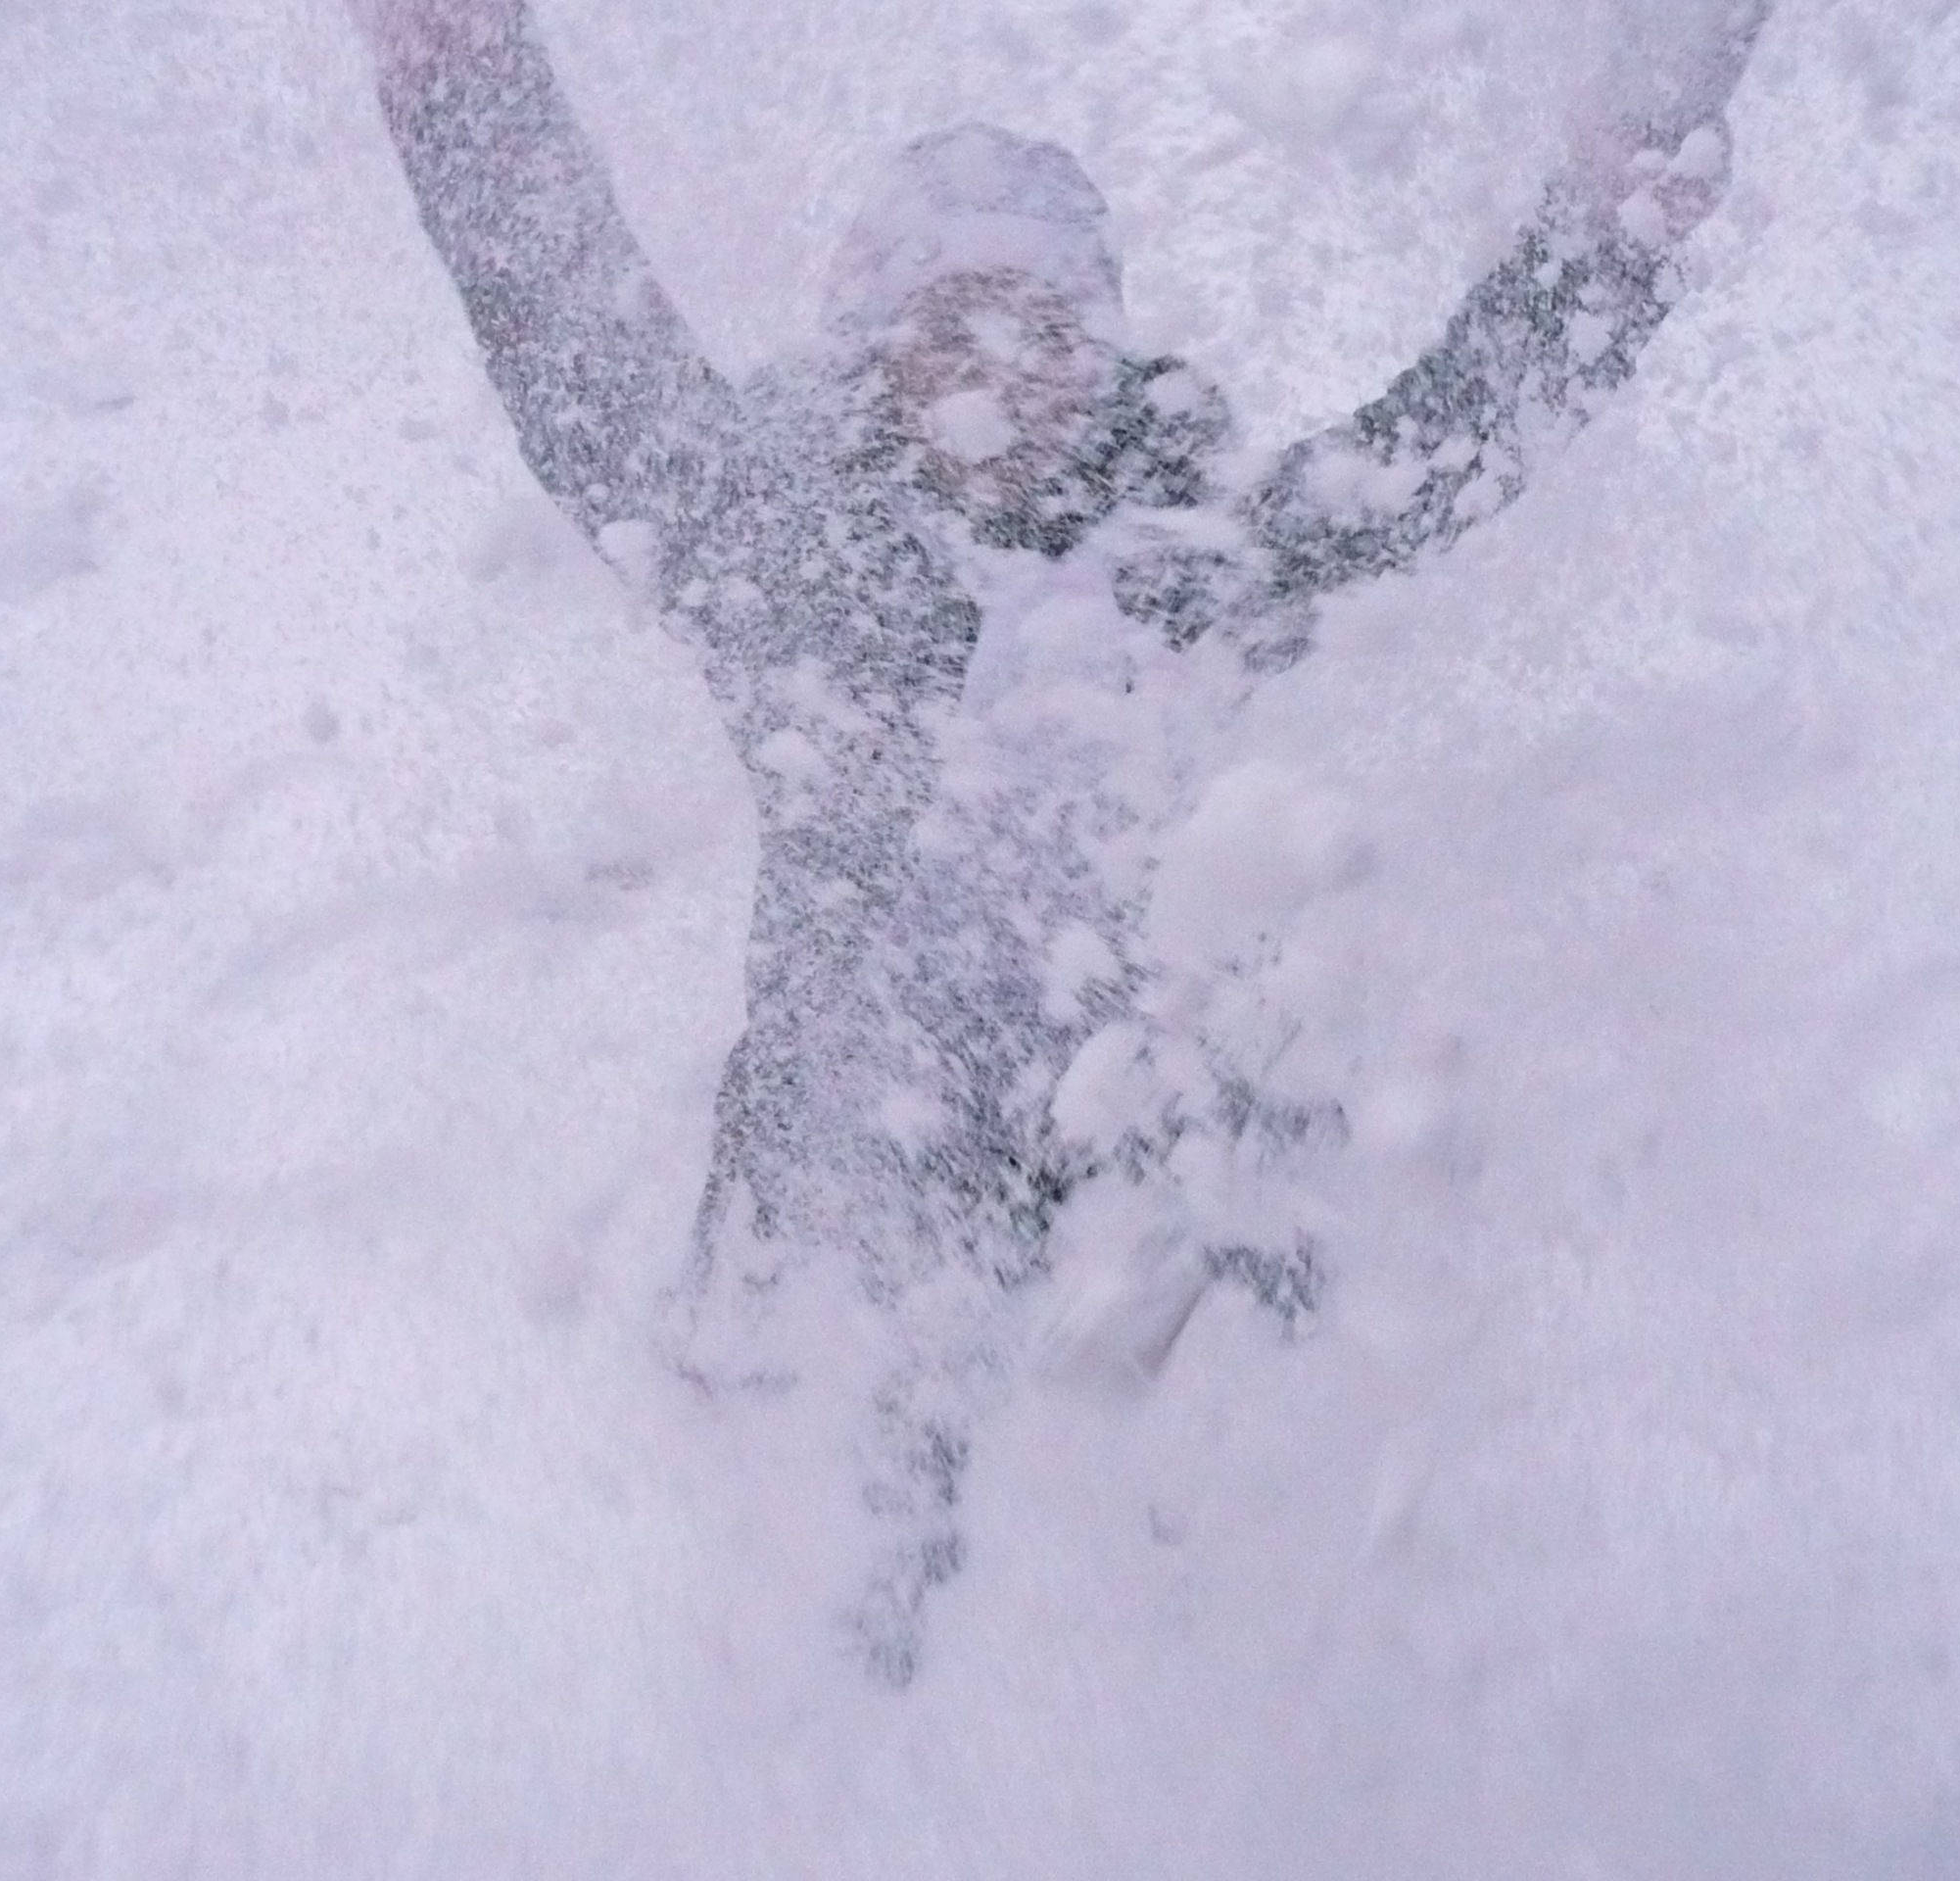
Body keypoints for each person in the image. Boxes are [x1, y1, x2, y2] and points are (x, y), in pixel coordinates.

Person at [355, 0, 1748, 1682]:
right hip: (846, 1168)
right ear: (878, 353)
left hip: (1124, 1152)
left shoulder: (1192, 561)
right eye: (950, 325)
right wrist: (460, 69)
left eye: (1043, 324)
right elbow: (586, 363)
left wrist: (1619, 206)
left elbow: (1447, 448)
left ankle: (1290, 1668)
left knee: (1243, 1371)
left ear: (1099, 351)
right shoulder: (784, 561)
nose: (997, 367)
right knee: (837, 1598)